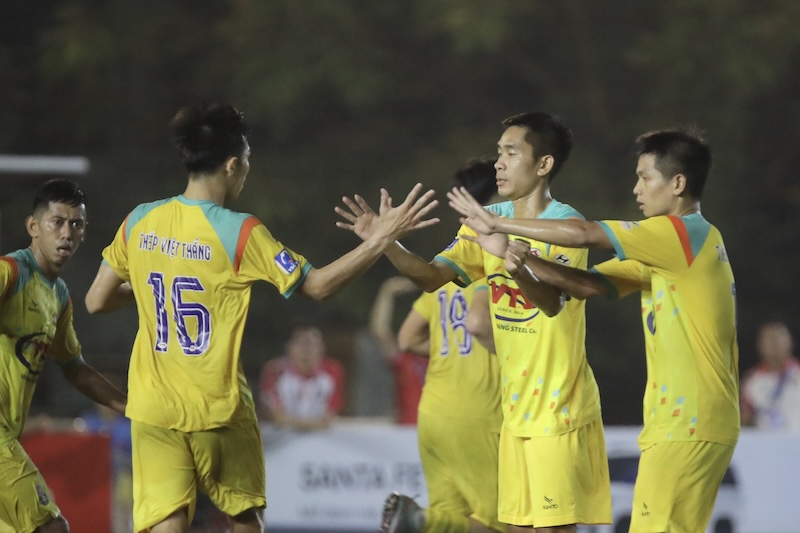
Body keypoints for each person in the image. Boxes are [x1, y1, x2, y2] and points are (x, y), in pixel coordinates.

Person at [83, 102, 439, 533]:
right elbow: (319, 286)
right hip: (217, 409)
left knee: (166, 520)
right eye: (247, 160)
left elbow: (96, 300)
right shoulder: (240, 232)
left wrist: (150, 283)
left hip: (153, 407)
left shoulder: (140, 219)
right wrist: (380, 240)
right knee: (244, 517)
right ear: (232, 164)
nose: (248, 170)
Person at [449, 127, 740, 533]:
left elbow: (584, 233)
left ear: (677, 184)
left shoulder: (679, 233)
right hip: (687, 423)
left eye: (645, 177)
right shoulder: (673, 249)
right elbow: (586, 285)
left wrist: (501, 225)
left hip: (689, 423)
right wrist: (518, 260)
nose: (636, 188)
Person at [338, 113, 611, 533]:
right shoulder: (486, 219)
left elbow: (553, 303)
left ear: (544, 164)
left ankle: (425, 522)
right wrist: (386, 242)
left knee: (552, 529)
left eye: (511, 153)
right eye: (499, 152)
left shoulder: (565, 225)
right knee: (514, 528)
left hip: (558, 408)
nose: (499, 162)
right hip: (512, 410)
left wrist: (514, 261)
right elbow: (432, 278)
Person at [381, 157, 506, 533]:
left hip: (434, 412)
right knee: (502, 524)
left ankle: (422, 520)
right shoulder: (491, 259)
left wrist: (451, 350)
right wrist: (515, 353)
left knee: (453, 518)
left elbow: (407, 337)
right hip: (479, 411)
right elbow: (479, 324)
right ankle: (420, 519)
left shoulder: (449, 268)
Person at [0, 179, 127, 533]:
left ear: (85, 231)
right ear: (33, 226)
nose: (66, 233)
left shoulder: (58, 296)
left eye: (76, 224)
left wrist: (132, 408)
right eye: (57, 222)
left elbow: (75, 369)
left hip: (9, 435)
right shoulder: (11, 273)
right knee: (53, 528)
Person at [258, 323, 346, 431]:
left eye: (313, 344)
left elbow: (329, 416)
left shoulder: (332, 371)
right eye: (301, 344)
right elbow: (275, 416)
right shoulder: (275, 371)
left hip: (317, 436)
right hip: (280, 435)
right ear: (289, 347)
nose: (307, 350)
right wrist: (313, 424)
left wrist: (296, 422)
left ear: (322, 348)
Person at [368, 275, 427, 424]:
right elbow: (380, 331)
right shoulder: (405, 357)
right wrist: (387, 292)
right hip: (406, 431)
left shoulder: (447, 354)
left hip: (437, 430)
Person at [741, 321, 800, 430]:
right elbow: (745, 417)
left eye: (778, 339)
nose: (774, 344)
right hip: (767, 439)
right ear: (760, 345)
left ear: (790, 342)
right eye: (769, 340)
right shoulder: (751, 380)